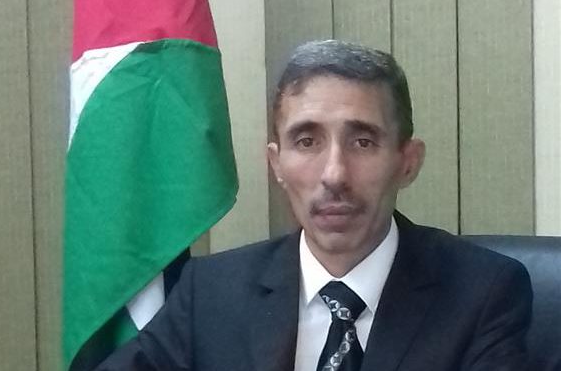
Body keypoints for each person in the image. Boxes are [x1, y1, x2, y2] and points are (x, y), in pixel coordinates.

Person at [95, 40, 532, 371]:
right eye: (307, 142)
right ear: (276, 164)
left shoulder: (482, 294)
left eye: (363, 142)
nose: (334, 175)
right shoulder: (211, 293)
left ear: (407, 162)